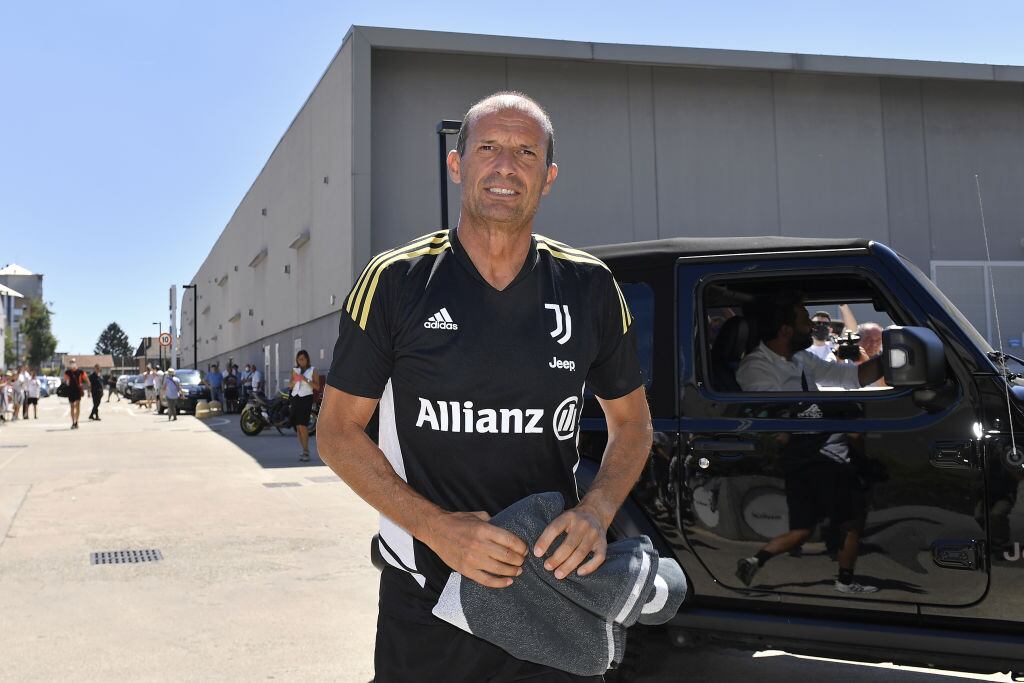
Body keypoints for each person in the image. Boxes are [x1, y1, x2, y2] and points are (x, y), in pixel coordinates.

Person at [317, 91, 652, 681]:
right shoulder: (396, 280)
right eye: (489, 148)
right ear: (457, 163)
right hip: (426, 596)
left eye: (526, 152)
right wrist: (436, 528)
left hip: (550, 593)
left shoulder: (590, 286)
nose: (506, 166)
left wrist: (597, 513)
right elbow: (337, 433)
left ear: (548, 177)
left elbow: (633, 425)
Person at [734, 290, 884, 594]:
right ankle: (845, 581)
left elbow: (848, 378)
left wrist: (888, 360)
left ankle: (754, 560)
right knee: (851, 521)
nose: (818, 330)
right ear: (787, 330)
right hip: (808, 456)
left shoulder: (799, 359)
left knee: (801, 530)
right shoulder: (756, 368)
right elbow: (776, 415)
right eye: (807, 324)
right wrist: (832, 412)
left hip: (808, 456)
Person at [289, 350, 319, 462]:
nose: (301, 361)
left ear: (307, 359)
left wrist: (305, 379)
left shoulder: (312, 370)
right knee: (298, 426)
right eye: (299, 359)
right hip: (295, 398)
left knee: (303, 425)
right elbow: (290, 385)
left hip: (306, 398)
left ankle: (306, 451)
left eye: (303, 359)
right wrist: (295, 380)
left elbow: (317, 386)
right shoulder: (294, 370)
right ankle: (303, 449)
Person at [63, 359, 89, 429]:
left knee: (77, 406)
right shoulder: (67, 372)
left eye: (73, 362)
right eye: (71, 362)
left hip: (78, 390)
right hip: (70, 391)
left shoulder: (80, 372)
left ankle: (76, 422)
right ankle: (73, 422)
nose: (72, 364)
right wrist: (66, 383)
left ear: (75, 363)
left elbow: (86, 379)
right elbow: (65, 381)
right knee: (72, 406)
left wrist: (89, 387)